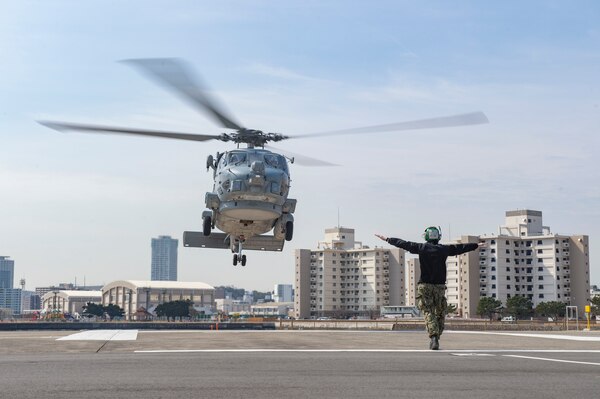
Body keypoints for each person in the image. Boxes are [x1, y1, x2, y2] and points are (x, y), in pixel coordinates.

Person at [375, 227, 482, 350]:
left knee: (428, 311)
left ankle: (433, 336)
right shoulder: (444, 249)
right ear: (438, 237)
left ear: (426, 236)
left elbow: (404, 244)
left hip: (425, 285)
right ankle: (437, 335)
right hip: (440, 286)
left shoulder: (421, 248)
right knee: (440, 312)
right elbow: (460, 248)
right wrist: (475, 245)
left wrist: (388, 239)